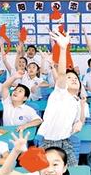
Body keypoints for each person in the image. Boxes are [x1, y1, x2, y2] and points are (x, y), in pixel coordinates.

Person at [36, 30, 84, 167]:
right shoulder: (60, 93)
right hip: (49, 142)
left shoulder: (76, 101)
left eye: (75, 78)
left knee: (72, 170)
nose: (73, 79)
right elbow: (61, 73)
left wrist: (79, 124)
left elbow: (77, 122)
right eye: (70, 78)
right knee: (47, 172)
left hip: (66, 141)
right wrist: (63, 49)